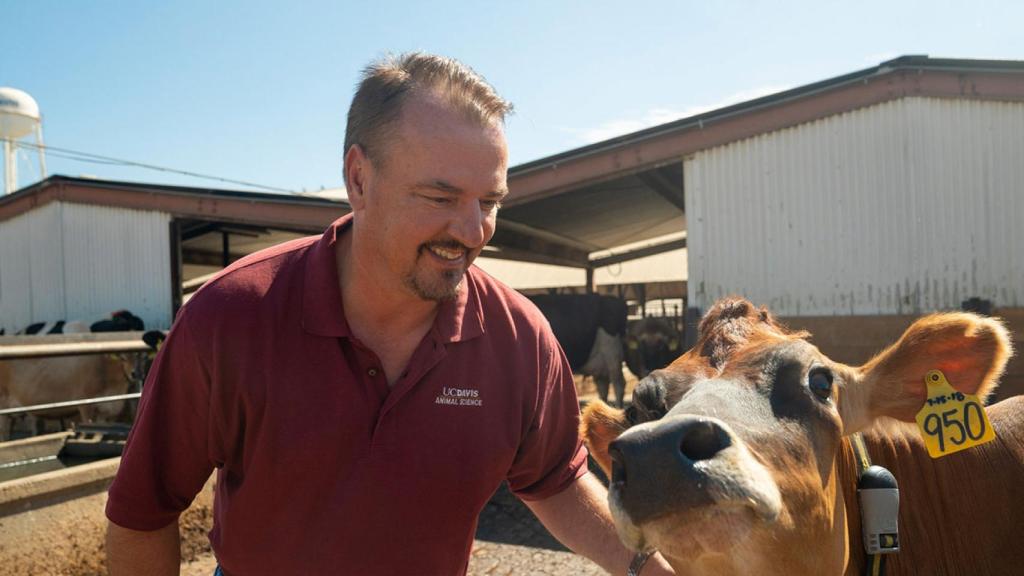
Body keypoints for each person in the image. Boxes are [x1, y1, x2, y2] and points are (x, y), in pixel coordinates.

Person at [105, 52, 673, 576]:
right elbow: (143, 513)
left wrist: (648, 570)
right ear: (359, 179)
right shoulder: (232, 316)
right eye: (440, 197)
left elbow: (556, 481)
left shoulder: (519, 339)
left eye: (490, 202)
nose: (473, 232)